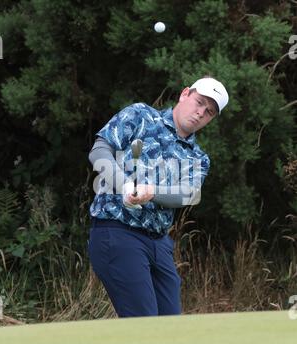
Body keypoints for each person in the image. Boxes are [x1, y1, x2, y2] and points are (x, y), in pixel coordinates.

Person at [87, 77, 229, 317]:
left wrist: (151, 192)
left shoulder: (198, 157)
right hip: (117, 232)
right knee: (144, 324)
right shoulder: (140, 116)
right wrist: (125, 186)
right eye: (199, 102)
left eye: (209, 112)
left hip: (159, 244)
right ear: (185, 94)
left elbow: (188, 195)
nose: (200, 113)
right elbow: (99, 151)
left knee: (169, 325)